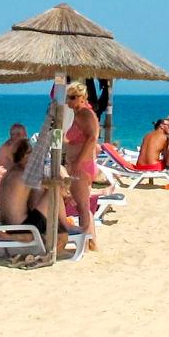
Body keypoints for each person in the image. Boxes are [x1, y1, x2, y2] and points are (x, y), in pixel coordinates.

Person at [63, 82, 100, 250]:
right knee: (83, 204)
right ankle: (91, 242)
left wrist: (77, 162)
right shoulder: (81, 114)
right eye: (67, 97)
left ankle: (84, 244)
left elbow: (92, 138)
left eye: (72, 98)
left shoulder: (84, 114)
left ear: (82, 97)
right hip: (81, 164)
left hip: (81, 166)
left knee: (82, 206)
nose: (68, 102)